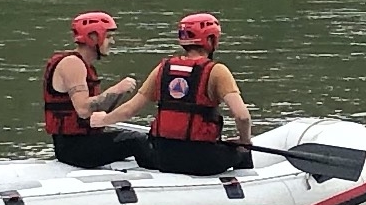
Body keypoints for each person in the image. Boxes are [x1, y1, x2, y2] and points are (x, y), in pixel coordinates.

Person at [100, 10, 256, 176]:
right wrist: (244, 142)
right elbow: (242, 117)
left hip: (162, 157)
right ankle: (249, 182)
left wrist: (102, 120)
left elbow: (129, 110)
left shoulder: (163, 69)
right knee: (242, 152)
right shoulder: (217, 71)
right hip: (202, 160)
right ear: (211, 40)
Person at [41, 10, 136, 168]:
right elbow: (84, 110)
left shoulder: (85, 65)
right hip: (74, 148)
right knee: (135, 140)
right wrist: (117, 88)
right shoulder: (72, 63)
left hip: (81, 142)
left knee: (133, 139)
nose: (112, 42)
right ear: (93, 37)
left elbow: (98, 111)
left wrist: (119, 94)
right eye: (108, 37)